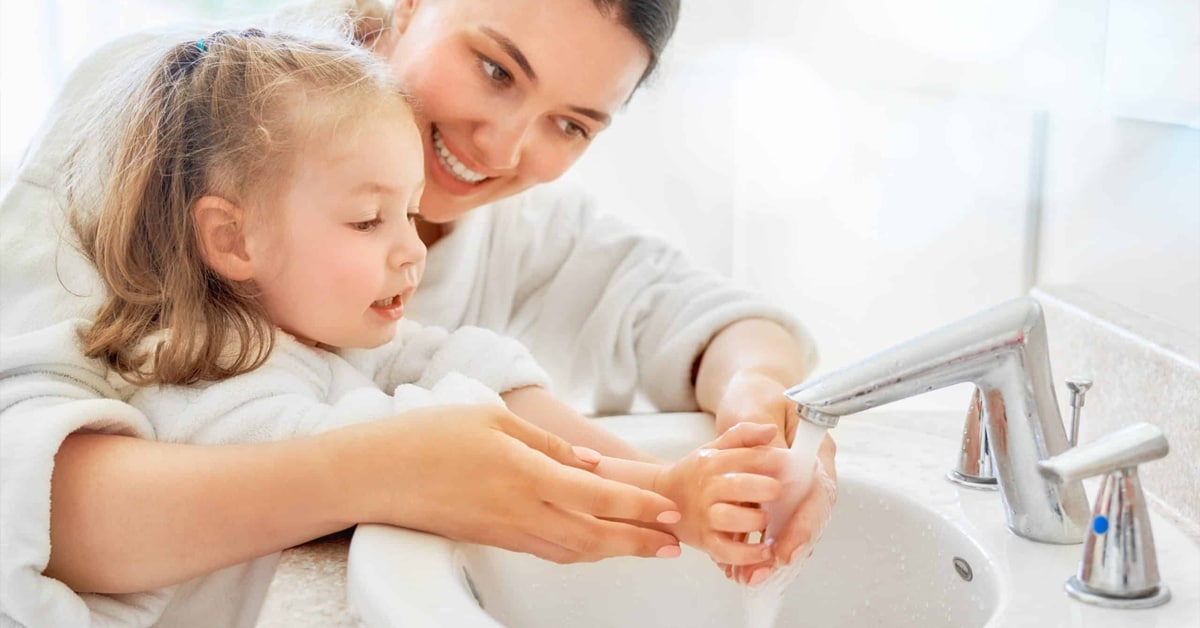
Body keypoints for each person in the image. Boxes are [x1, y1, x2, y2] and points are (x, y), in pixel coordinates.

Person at [0, 0, 836, 625]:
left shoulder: (518, 231)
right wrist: (382, 470)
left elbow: (704, 322)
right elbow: (22, 491)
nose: (502, 149)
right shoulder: (170, 117)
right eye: (496, 69)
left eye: (571, 125)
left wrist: (756, 428)